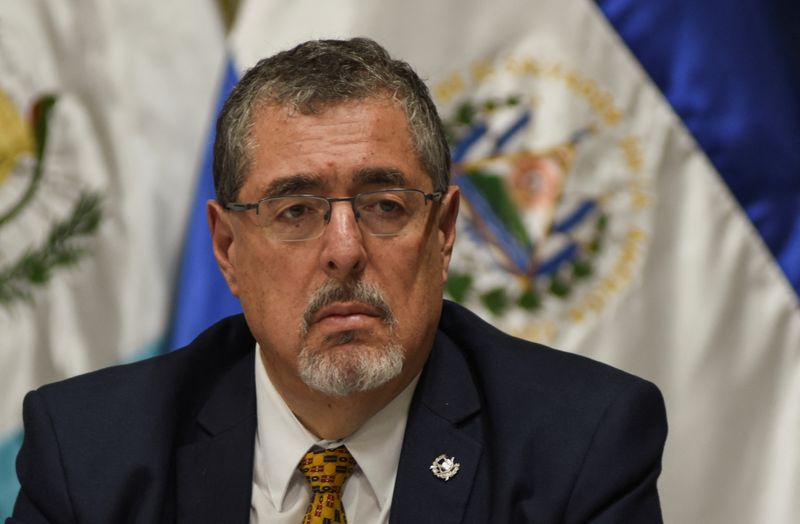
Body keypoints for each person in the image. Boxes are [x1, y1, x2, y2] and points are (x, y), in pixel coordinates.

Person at [8, 38, 667, 523]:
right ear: (228, 247)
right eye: (295, 211)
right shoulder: (91, 452)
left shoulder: (581, 446)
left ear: (442, 233)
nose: (345, 251)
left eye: (385, 206)